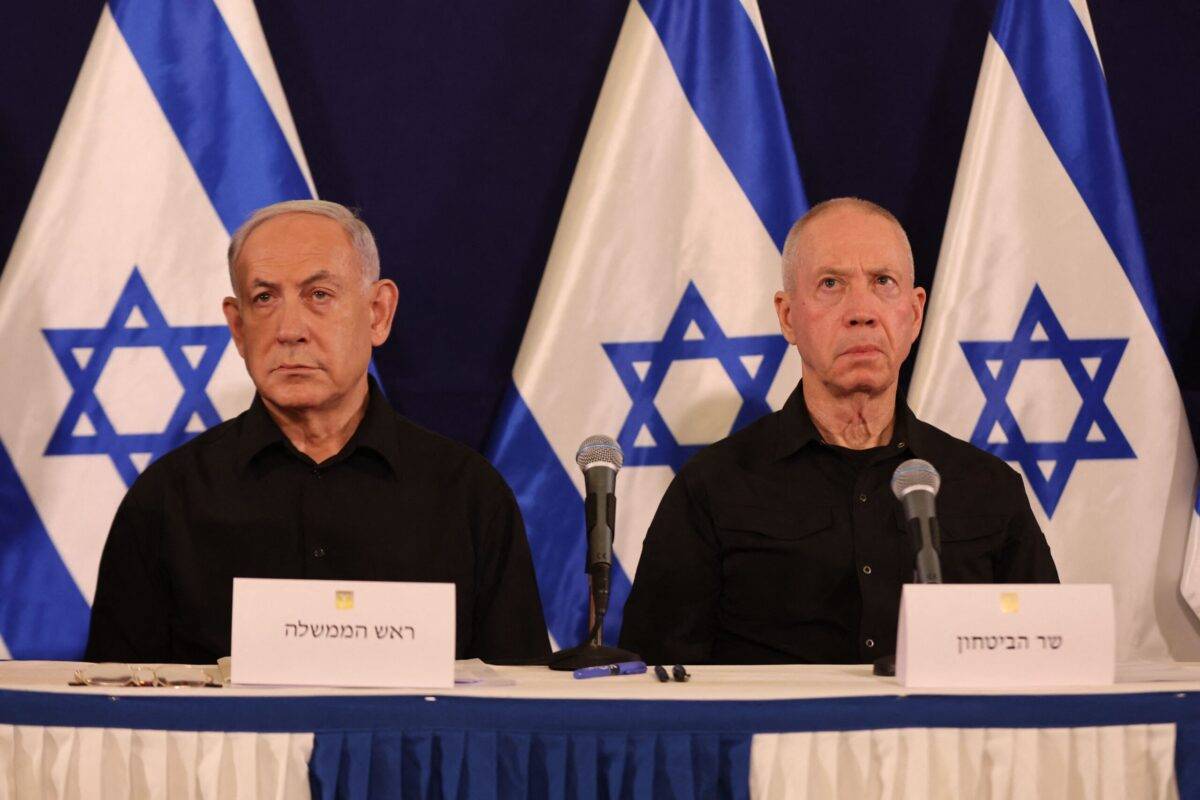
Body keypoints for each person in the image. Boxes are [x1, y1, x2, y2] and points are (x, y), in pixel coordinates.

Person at [85, 200, 550, 664]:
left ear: (378, 313)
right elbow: (115, 715)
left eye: (319, 295)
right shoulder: (167, 501)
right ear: (238, 327)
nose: (290, 330)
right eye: (264, 298)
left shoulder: (467, 496)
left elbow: (519, 707)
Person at [619, 198, 1058, 665]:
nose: (861, 311)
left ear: (914, 314)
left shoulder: (989, 488)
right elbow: (655, 682)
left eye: (882, 283)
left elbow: (1048, 661)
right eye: (831, 284)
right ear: (788, 316)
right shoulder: (711, 488)